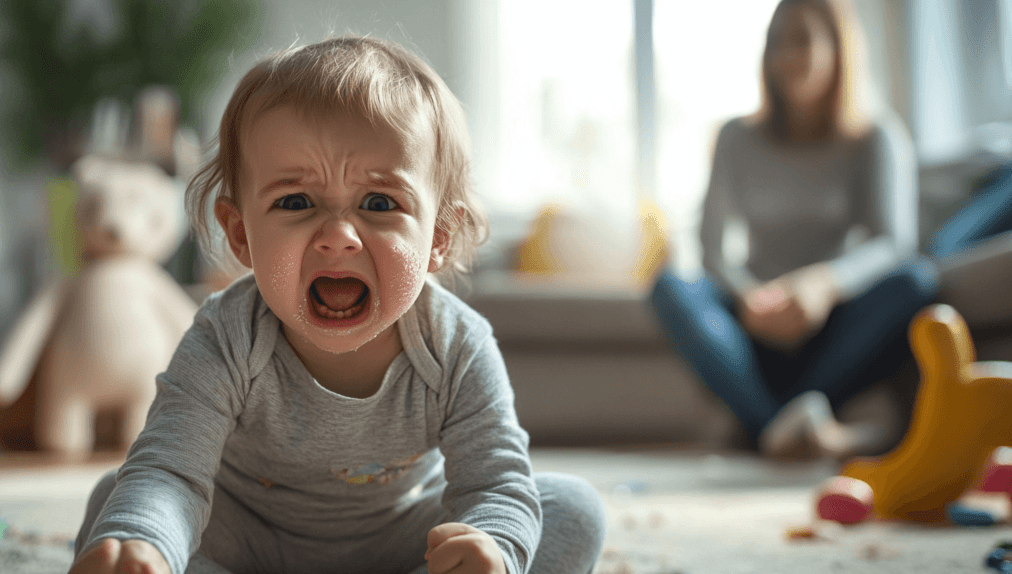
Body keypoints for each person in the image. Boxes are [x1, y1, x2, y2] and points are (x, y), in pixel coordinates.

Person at [67, 36, 606, 574]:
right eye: (295, 202)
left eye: (379, 203)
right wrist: (146, 543)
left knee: (572, 511)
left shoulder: (456, 344)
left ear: (438, 236)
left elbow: (495, 482)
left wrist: (493, 547)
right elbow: (172, 471)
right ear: (241, 236)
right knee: (118, 511)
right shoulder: (225, 337)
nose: (339, 235)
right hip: (248, 538)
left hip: (404, 540)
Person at [649, 0, 938, 460]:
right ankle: (782, 427)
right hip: (753, 327)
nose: (787, 55)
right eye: (776, 42)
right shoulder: (735, 137)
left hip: (833, 325)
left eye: (802, 39)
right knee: (670, 287)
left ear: (838, 50)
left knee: (917, 281)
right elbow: (711, 248)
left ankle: (764, 424)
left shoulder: (876, 138)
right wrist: (746, 298)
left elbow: (894, 243)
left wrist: (825, 283)